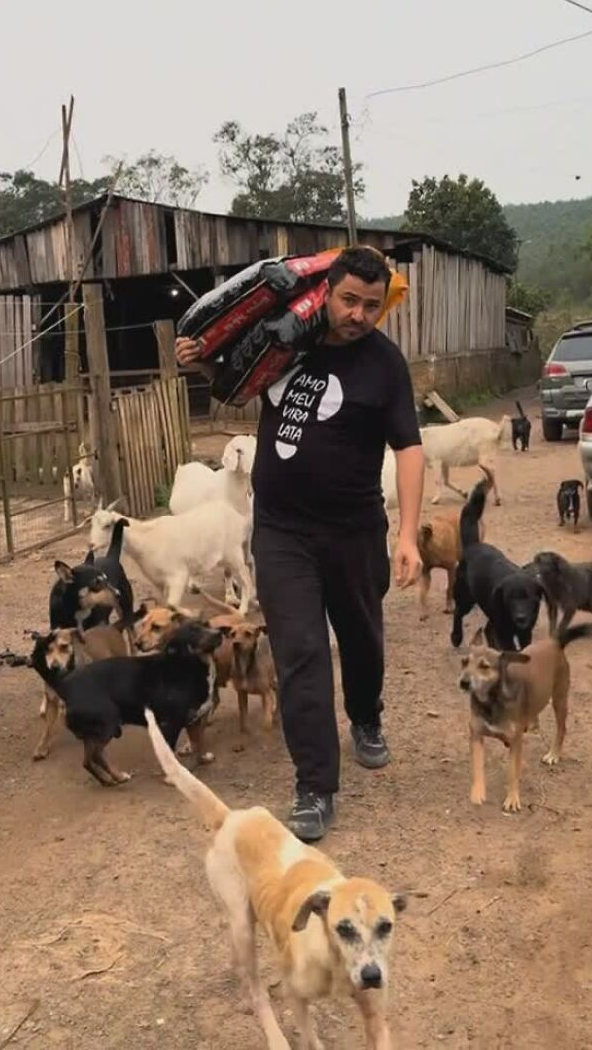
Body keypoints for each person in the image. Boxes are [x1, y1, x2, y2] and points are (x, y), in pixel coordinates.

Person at [176, 245, 424, 842]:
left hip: (355, 531)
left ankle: (366, 716)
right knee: (302, 653)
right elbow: (236, 385)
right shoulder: (282, 340)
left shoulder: (385, 365)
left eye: (371, 304)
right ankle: (315, 785)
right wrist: (201, 361)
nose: (359, 314)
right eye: (348, 300)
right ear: (327, 293)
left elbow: (409, 447)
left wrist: (410, 533)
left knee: (362, 640)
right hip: (283, 532)